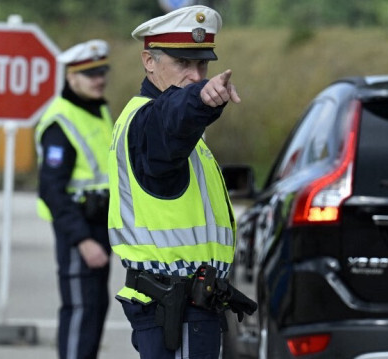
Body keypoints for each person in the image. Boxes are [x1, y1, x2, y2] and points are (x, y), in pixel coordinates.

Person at [108, 5, 256, 359]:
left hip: (187, 308)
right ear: (149, 61)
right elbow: (174, 115)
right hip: (176, 310)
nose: (195, 75)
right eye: (183, 64)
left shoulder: (169, 127)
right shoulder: (150, 121)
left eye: (202, 65)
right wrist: (200, 100)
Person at [35, 39, 113, 359]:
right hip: (78, 230)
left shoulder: (98, 110)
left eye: (102, 71)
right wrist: (83, 240)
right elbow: (51, 190)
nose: (99, 79)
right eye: (90, 74)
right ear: (71, 78)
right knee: (81, 308)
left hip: (99, 224)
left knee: (95, 306)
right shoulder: (60, 122)